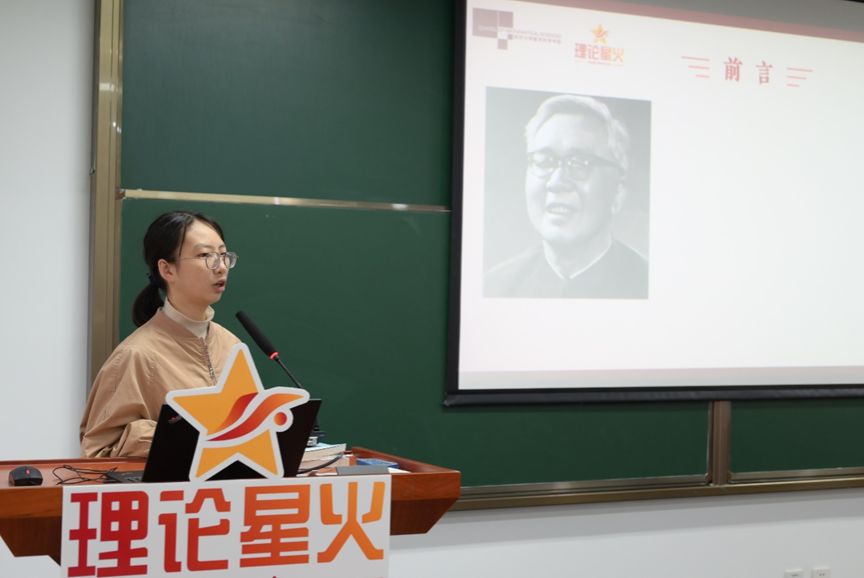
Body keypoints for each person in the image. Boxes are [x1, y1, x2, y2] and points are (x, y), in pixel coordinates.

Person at [80, 210, 242, 458]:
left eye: (223, 255)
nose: (221, 267)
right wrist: (186, 436)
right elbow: (98, 451)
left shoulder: (232, 344)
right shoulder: (136, 355)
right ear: (167, 270)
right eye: (205, 255)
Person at [485, 95, 648, 298]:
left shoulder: (651, 284)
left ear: (618, 193)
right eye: (544, 161)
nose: (556, 182)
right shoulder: (494, 287)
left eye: (580, 162)